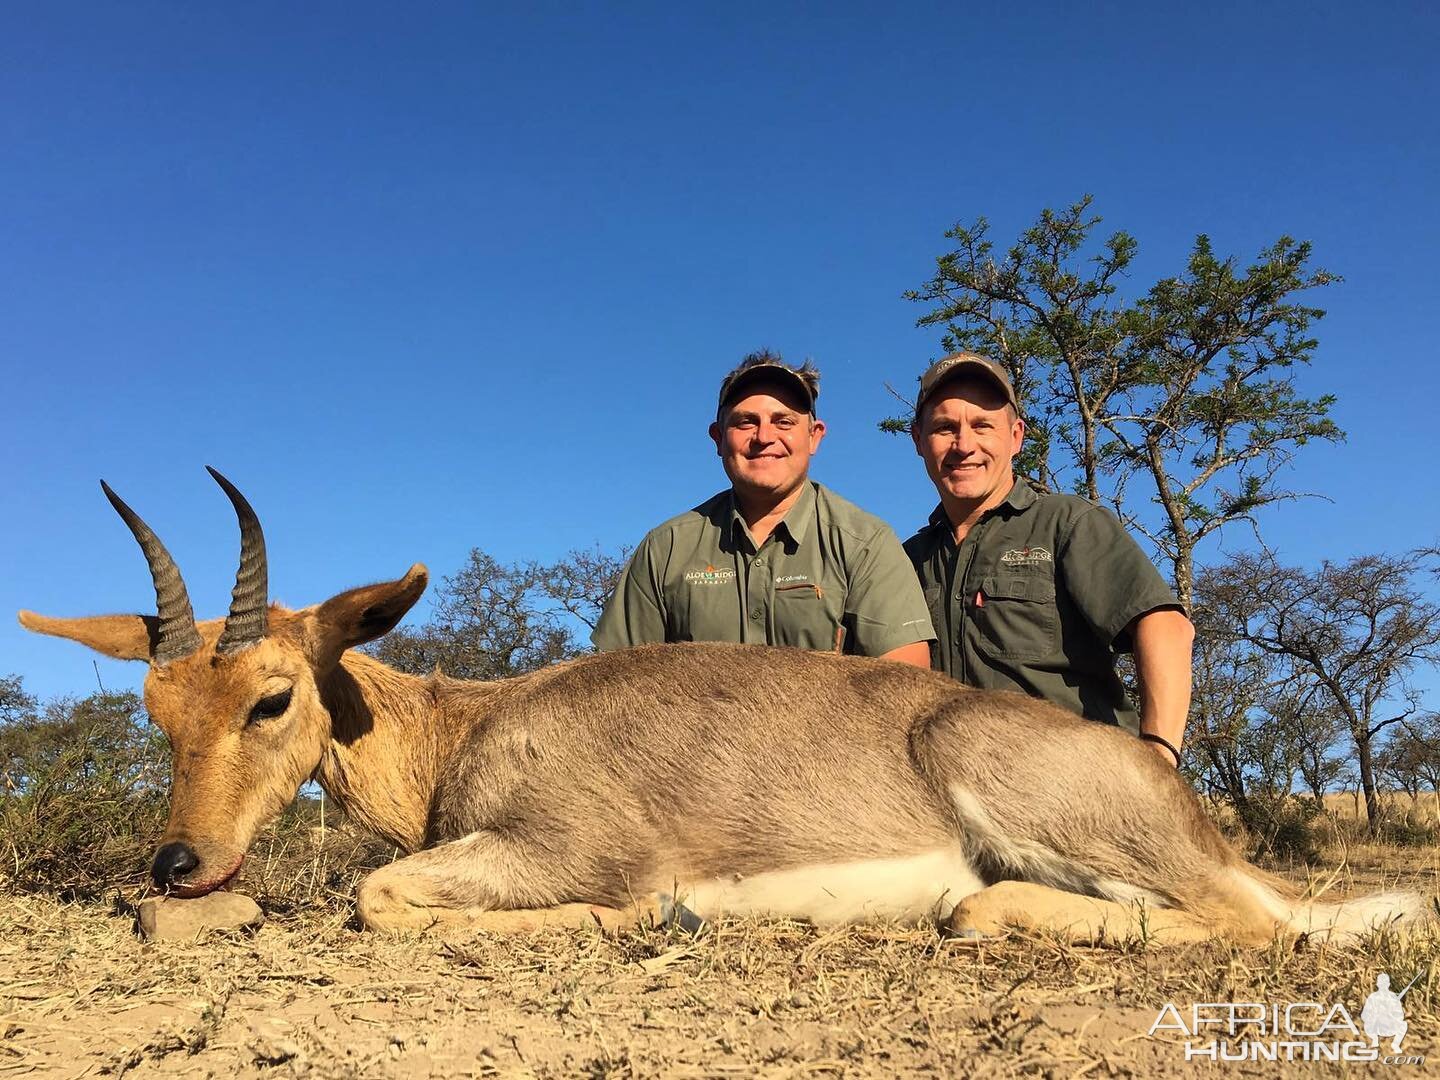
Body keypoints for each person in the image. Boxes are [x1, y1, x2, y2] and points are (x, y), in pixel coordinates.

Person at [903, 351, 1195, 766]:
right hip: (954, 793)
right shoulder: (906, 560)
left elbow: (1165, 626)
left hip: (1076, 786)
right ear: (918, 440)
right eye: (945, 428)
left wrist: (1159, 757)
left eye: (983, 426)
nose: (964, 445)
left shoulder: (1067, 523)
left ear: (1017, 436)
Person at [594, 351, 935, 664]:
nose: (764, 437)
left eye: (783, 422)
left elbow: (904, 685)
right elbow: (614, 681)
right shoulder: (665, 548)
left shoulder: (865, 543)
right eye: (745, 422)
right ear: (718, 438)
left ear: (814, 436)